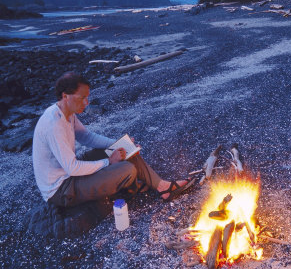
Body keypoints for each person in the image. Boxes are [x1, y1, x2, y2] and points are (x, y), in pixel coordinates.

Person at [32, 71, 195, 208]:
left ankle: (162, 186)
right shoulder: (54, 125)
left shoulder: (67, 112)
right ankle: (131, 184)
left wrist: (118, 143)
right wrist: (109, 162)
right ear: (65, 96)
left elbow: (86, 137)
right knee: (127, 169)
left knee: (125, 150)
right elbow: (72, 168)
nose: (87, 103)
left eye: (87, 97)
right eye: (82, 98)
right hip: (62, 189)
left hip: (70, 174)